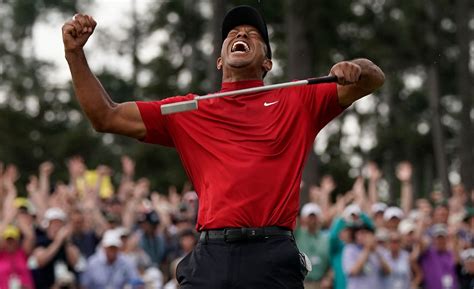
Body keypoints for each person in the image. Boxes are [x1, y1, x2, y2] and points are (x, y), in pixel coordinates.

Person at [62, 4, 385, 288]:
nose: (239, 34)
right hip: (210, 256)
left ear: (267, 63)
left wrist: (355, 67)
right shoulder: (189, 110)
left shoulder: (298, 100)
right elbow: (106, 116)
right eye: (232, 32)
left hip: (271, 255)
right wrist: (75, 54)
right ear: (219, 60)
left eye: (251, 33)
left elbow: (373, 79)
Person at [295, 203, 331, 289]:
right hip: (301, 283)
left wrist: (328, 278)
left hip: (321, 284)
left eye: (314, 217)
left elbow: (331, 262)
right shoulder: (297, 233)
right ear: (303, 219)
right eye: (309, 217)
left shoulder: (326, 238)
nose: (312, 220)